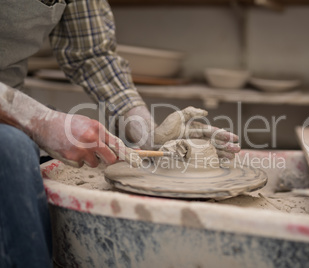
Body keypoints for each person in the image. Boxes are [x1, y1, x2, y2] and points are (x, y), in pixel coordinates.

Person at [0, 0, 240, 267]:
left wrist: (148, 133)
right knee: (11, 149)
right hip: (10, 120)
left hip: (14, 104)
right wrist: (40, 120)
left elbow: (93, 56)